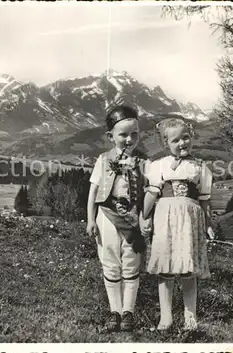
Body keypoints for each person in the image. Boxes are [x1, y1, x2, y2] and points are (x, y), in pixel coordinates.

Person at [143, 117, 215, 331]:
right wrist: (143, 216)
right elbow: (151, 194)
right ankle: (166, 317)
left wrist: (208, 223)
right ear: (166, 143)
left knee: (187, 269)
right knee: (165, 270)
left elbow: (205, 199)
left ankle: (190, 317)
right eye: (176, 140)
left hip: (189, 222)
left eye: (185, 137)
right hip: (165, 220)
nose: (182, 143)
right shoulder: (159, 166)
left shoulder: (200, 167)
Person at [86, 105, 150, 332]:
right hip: (107, 216)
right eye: (123, 134)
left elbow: (149, 191)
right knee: (110, 263)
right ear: (110, 136)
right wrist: (90, 219)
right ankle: (115, 311)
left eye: (134, 134)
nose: (129, 139)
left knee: (131, 265)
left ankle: (128, 313)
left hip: (133, 218)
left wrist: (145, 217)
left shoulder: (144, 161)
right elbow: (93, 191)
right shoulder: (103, 160)